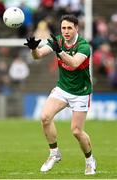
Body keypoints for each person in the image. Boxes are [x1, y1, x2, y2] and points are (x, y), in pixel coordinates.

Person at [24, 14, 96, 175]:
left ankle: (90, 160)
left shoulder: (84, 46)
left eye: (69, 28)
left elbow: (75, 63)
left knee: (76, 131)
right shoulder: (58, 41)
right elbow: (39, 56)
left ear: (76, 28)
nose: (66, 31)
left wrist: (60, 51)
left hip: (80, 93)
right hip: (62, 89)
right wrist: (33, 49)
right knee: (45, 117)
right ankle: (54, 153)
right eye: (63, 28)